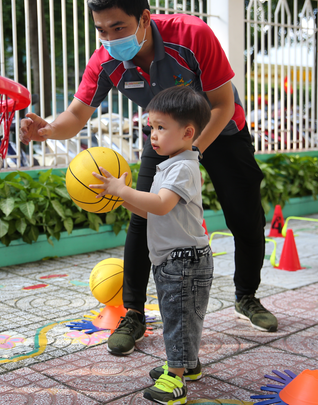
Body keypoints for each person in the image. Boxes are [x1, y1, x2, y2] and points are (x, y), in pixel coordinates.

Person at [19, 0, 277, 358]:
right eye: (101, 30)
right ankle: (134, 312)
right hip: (166, 136)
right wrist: (48, 129)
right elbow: (76, 115)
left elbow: (222, 104)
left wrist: (191, 153)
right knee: (143, 214)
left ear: (144, 18)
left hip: (221, 129)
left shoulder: (191, 35)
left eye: (117, 27)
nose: (108, 38)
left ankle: (247, 297)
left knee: (244, 216)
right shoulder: (105, 61)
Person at [90, 86, 212, 404]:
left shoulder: (183, 167)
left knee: (178, 317)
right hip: (174, 260)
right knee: (182, 316)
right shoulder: (170, 164)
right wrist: (121, 195)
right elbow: (147, 209)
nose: (152, 135)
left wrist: (123, 189)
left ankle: (176, 380)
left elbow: (159, 204)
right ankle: (189, 364)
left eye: (160, 128)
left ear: (187, 133)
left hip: (183, 261)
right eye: (151, 127)